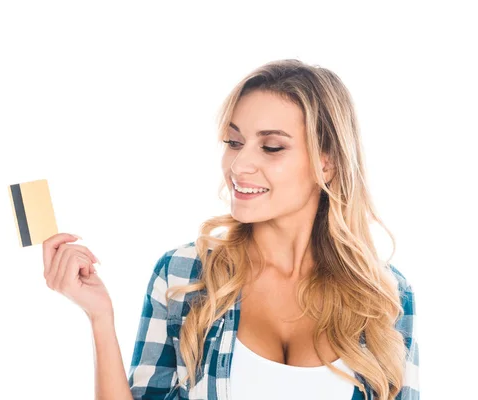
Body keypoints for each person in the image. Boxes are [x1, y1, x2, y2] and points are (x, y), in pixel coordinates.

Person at [41, 59, 419, 400]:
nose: (239, 165)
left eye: (271, 147)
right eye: (234, 142)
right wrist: (100, 317)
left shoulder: (382, 294)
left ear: (328, 163)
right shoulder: (184, 274)